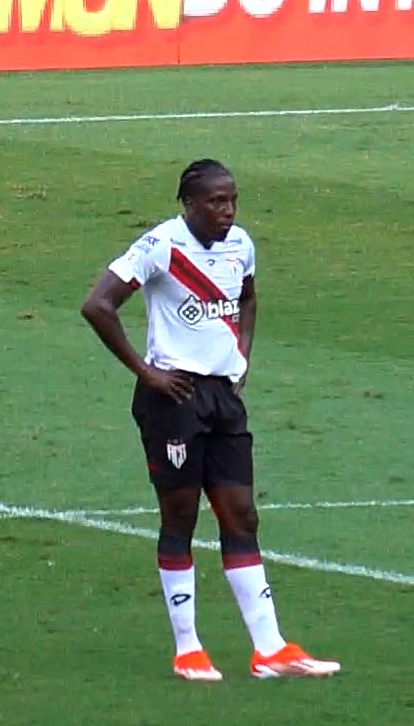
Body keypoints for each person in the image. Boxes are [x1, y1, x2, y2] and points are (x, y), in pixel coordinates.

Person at [80, 158, 339, 684]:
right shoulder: (161, 246)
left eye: (233, 200)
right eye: (216, 202)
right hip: (173, 398)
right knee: (180, 518)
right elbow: (98, 305)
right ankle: (188, 649)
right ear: (189, 203)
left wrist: (241, 354)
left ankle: (270, 648)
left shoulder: (240, 244)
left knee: (241, 515)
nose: (227, 211)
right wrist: (148, 374)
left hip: (222, 398)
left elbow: (247, 297)